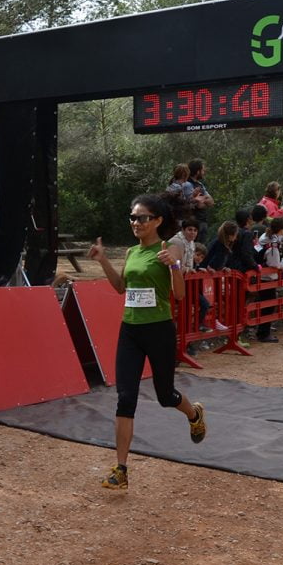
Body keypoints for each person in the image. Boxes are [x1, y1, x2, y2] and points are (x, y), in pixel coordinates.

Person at [88, 193, 206, 490]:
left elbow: (179, 295)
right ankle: (121, 469)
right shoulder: (131, 253)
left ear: (157, 221)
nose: (135, 223)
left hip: (159, 331)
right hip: (130, 331)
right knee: (125, 399)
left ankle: (194, 413)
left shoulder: (169, 250)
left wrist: (174, 266)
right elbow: (120, 288)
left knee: (166, 396)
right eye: (132, 218)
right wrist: (103, 260)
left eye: (141, 218)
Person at [255, 217, 283, 343]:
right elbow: (274, 263)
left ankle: (263, 332)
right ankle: (264, 333)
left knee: (266, 305)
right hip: (266, 277)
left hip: (262, 276)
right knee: (268, 306)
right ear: (281, 229)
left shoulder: (266, 236)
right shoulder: (273, 242)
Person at [187, 159, 214, 243]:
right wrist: (203, 201)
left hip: (203, 221)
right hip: (193, 223)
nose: (204, 172)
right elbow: (198, 204)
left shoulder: (200, 185)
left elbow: (211, 201)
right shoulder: (188, 184)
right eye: (202, 170)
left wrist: (203, 201)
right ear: (197, 171)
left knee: (201, 249)